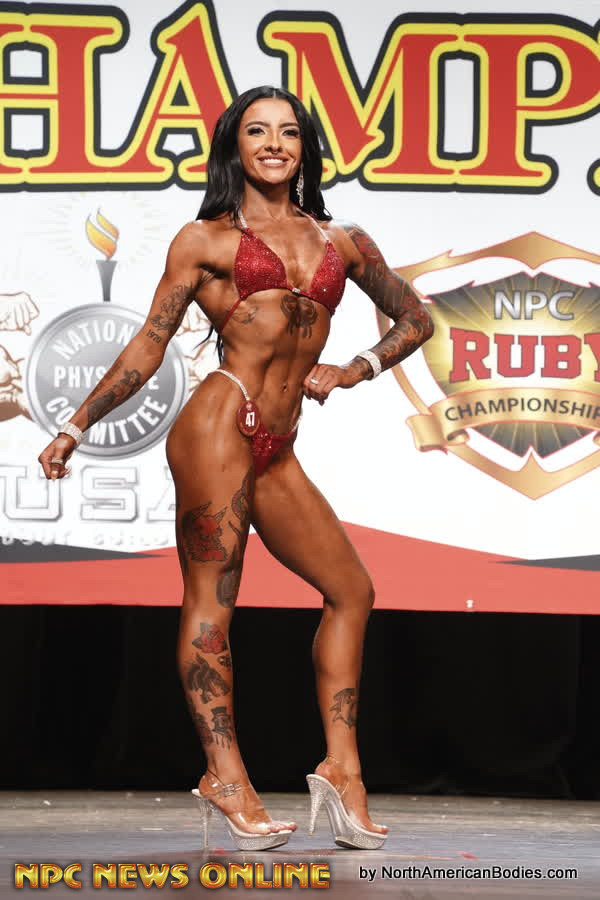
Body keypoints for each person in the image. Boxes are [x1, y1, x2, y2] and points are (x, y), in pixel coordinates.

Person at [38, 85, 434, 851]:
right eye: (257, 131)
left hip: (277, 444)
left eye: (288, 131)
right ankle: (224, 776)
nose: (274, 144)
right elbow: (151, 341)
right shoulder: (205, 240)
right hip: (219, 424)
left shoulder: (344, 240)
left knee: (352, 590)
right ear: (235, 148)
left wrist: (355, 368)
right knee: (213, 602)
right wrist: (77, 423)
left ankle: (342, 770)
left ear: (305, 147)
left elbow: (416, 318)